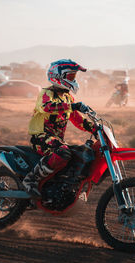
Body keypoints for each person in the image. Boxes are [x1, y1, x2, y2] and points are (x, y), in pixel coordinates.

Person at [22, 59, 96, 197]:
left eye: (74, 77)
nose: (74, 80)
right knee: (63, 152)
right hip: (41, 138)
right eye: (71, 76)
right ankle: (30, 179)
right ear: (58, 76)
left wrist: (96, 129)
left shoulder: (68, 98)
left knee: (78, 154)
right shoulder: (46, 93)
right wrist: (73, 106)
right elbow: (46, 107)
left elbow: (77, 120)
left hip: (56, 140)